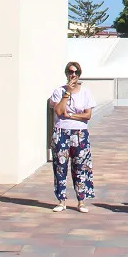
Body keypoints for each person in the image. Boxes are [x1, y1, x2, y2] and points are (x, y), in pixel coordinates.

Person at [48, 61, 96, 213]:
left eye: (76, 72)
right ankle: (61, 201)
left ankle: (81, 201)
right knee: (60, 167)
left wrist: (72, 115)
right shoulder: (58, 91)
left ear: (79, 74)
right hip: (61, 132)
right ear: (66, 73)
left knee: (80, 167)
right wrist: (67, 93)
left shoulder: (85, 92)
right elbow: (59, 112)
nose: (73, 75)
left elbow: (87, 115)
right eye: (70, 71)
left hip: (80, 133)